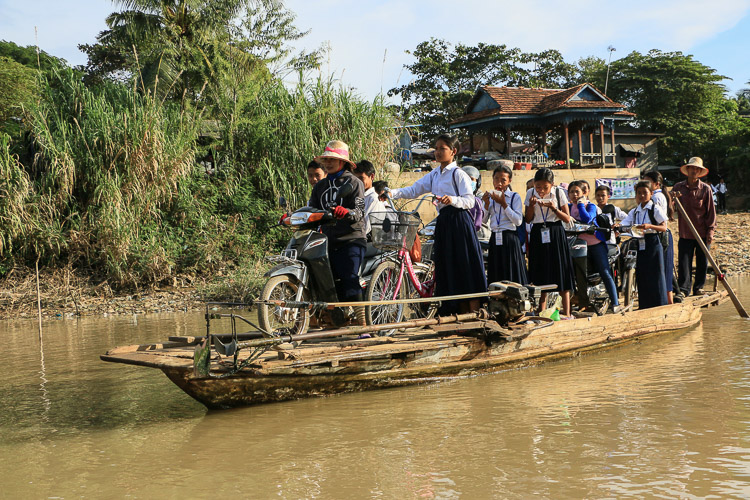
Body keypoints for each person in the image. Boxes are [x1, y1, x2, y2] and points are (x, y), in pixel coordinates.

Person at [385, 134, 487, 314]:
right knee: (448, 267)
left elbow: (469, 201)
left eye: (443, 149)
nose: (438, 152)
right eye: (436, 148)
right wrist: (392, 193)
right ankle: (457, 315)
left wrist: (452, 199)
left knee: (465, 267)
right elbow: (414, 190)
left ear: (453, 152)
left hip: (460, 222)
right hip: (444, 223)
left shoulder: (458, 174)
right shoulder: (434, 174)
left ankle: (475, 315)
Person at [308, 140, 367, 324]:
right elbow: (312, 210)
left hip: (351, 239)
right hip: (327, 240)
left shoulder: (355, 183)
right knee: (326, 283)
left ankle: (362, 324)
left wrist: (346, 212)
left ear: (343, 162)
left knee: (350, 280)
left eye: (333, 159)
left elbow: (360, 212)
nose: (328, 162)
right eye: (326, 159)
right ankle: (334, 321)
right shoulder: (320, 186)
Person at [524, 167, 575, 317]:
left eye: (545, 187)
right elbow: (528, 219)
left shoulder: (559, 193)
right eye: (537, 186)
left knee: (561, 271)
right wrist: (532, 206)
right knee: (541, 272)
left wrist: (553, 208)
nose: (541, 190)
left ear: (552, 184)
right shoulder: (529, 193)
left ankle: (567, 312)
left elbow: (567, 218)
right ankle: (541, 313)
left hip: (555, 231)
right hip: (538, 232)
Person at [567, 181, 620, 312]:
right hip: (577, 245)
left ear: (584, 193)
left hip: (595, 245)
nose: (574, 195)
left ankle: (615, 302)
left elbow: (587, 219)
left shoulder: (590, 206)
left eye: (577, 192)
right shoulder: (567, 207)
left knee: (604, 272)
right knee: (577, 275)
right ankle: (581, 303)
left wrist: (580, 205)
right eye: (571, 192)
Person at [672, 157, 717, 296]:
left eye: (697, 169)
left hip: (702, 232)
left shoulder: (705, 189)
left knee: (702, 261)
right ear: (688, 170)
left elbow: (711, 212)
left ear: (700, 172)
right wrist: (673, 199)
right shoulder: (678, 187)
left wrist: (710, 231)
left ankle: (698, 288)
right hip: (685, 232)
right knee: (684, 261)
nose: (694, 171)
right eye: (692, 168)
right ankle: (684, 289)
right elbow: (669, 209)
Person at [620, 179, 668, 309]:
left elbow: (664, 227)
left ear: (651, 193)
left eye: (644, 192)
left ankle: (660, 304)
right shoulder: (635, 211)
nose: (641, 195)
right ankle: (645, 305)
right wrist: (617, 226)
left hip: (653, 242)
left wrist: (649, 226)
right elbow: (625, 223)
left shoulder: (655, 208)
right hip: (640, 243)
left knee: (656, 275)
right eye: (639, 193)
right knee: (643, 274)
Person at [482, 165, 527, 284]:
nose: (499, 183)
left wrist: (504, 204)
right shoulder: (490, 197)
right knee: (497, 273)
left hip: (509, 238)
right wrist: (486, 205)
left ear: (509, 181)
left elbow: (518, 221)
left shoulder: (514, 197)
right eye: (496, 179)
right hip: (495, 237)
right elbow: (482, 221)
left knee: (511, 273)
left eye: (503, 180)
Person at [642, 170, 677, 304]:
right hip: (660, 234)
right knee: (664, 270)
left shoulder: (655, 198)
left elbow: (661, 222)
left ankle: (668, 303)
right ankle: (667, 301)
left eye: (648, 182)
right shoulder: (659, 195)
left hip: (660, 235)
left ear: (656, 184)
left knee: (663, 270)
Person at [353, 160, 386, 236]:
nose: (358, 182)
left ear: (372, 176)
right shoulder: (358, 195)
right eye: (356, 179)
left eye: (361, 178)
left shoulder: (373, 198)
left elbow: (366, 227)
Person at [462, 165, 490, 240]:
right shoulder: (457, 199)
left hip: (481, 237)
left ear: (478, 182)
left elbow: (484, 219)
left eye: (471, 179)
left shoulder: (483, 198)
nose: (468, 182)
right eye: (465, 179)